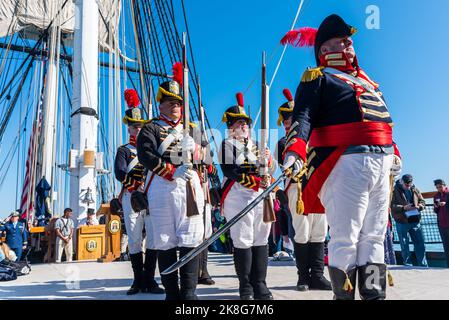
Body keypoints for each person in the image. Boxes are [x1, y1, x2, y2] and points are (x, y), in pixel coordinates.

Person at [280, 14, 402, 300]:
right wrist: (295, 151)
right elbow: (303, 117)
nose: (349, 46)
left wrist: (394, 152)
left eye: (349, 42)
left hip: (381, 164)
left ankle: (374, 296)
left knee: (373, 238)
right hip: (345, 163)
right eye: (341, 42)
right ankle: (343, 297)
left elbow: (383, 122)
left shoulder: (370, 83)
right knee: (345, 238)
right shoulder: (318, 77)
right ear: (324, 50)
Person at [137, 63, 209, 300]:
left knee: (191, 238)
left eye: (178, 102)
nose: (175, 105)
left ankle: (189, 293)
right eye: (170, 101)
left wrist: (197, 149)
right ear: (161, 104)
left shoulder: (192, 127)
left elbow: (207, 157)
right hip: (162, 186)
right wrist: (170, 170)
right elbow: (145, 154)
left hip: (189, 186)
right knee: (166, 240)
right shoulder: (150, 128)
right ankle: (172, 293)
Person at [219, 92, 275, 300]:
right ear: (230, 127)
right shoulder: (227, 145)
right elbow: (230, 170)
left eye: (245, 123)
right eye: (238, 123)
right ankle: (246, 286)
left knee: (261, 238)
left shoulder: (259, 146)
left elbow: (270, 170)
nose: (243, 126)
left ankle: (260, 283)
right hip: (238, 195)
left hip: (261, 196)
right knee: (243, 239)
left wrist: (268, 162)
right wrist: (257, 180)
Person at [275, 88, 331, 292]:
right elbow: (285, 166)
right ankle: (303, 277)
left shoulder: (316, 138)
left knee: (319, 231)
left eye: (293, 118)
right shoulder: (283, 143)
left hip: (318, 188)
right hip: (297, 189)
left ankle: (317, 275)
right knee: (302, 232)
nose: (290, 122)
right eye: (287, 119)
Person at [114, 88, 164, 295]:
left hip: (151, 196)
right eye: (135, 127)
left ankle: (150, 279)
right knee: (135, 238)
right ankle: (137, 280)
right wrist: (137, 188)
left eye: (140, 126)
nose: (138, 129)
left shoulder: (151, 148)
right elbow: (119, 172)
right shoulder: (124, 150)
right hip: (132, 197)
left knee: (152, 238)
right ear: (129, 129)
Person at [391, 174, 428, 267]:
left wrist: (419, 207)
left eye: (409, 185)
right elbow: (391, 206)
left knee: (420, 244)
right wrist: (404, 208)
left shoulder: (415, 189)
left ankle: (423, 266)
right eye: (406, 185)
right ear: (402, 181)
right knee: (404, 245)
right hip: (402, 222)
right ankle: (407, 265)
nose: (408, 187)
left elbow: (423, 202)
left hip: (415, 221)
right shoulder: (394, 191)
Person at [433, 179, 449, 267]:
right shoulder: (436, 196)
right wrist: (435, 207)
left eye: (440, 186)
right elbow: (436, 211)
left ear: (444, 185)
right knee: (446, 247)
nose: (439, 188)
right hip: (442, 225)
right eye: (437, 187)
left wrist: (445, 204)